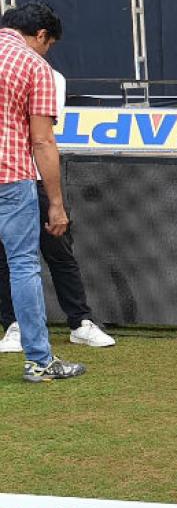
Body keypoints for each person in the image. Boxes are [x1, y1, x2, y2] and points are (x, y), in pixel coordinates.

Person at [0, 67, 116, 352]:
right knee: (4, 257)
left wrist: (55, 200)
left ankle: (80, 322)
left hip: (34, 177)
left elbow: (42, 135)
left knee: (59, 251)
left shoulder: (51, 77)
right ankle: (14, 326)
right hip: (7, 179)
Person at [0, 2, 86, 383]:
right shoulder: (35, 67)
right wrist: (56, 203)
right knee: (23, 264)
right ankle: (39, 360)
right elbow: (43, 142)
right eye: (48, 44)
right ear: (40, 35)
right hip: (11, 177)